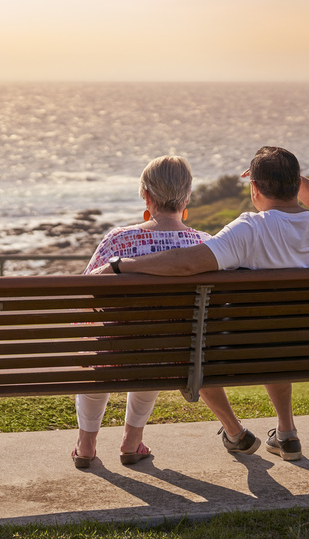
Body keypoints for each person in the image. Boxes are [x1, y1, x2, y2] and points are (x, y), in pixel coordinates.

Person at [91, 146, 309, 462]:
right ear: (295, 185)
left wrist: (121, 265)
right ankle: (287, 432)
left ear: (254, 188)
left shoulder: (250, 228)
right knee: (279, 331)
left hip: (243, 354)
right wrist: (288, 175)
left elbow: (187, 263)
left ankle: (235, 431)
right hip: (308, 346)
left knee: (194, 341)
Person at [72, 155, 210, 469]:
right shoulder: (205, 245)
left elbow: (84, 296)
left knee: (101, 347)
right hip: (170, 359)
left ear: (146, 196)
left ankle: (86, 445)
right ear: (186, 197)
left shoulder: (118, 241)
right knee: (156, 345)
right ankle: (132, 442)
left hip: (114, 354)